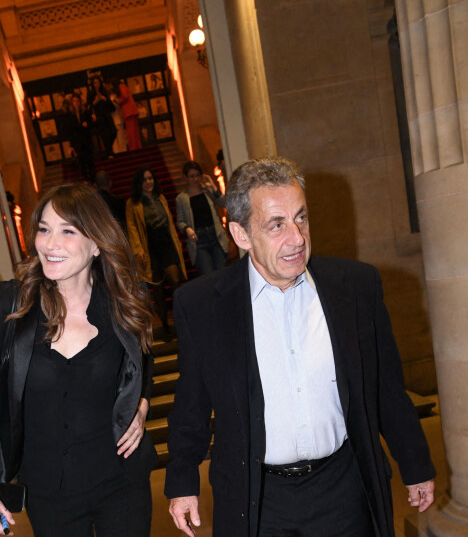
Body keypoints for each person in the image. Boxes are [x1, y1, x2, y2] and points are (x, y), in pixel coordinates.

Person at [164, 157, 436, 537]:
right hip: (257, 498)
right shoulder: (203, 305)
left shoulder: (355, 288)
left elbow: (386, 388)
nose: (297, 237)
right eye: (276, 225)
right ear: (241, 235)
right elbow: (190, 404)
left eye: (301, 218)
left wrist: (415, 464)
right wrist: (182, 480)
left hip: (343, 487)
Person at [0, 184, 158, 536]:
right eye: (44, 229)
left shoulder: (123, 302)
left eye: (67, 231)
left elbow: (142, 361)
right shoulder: (11, 305)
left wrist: (140, 405)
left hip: (121, 480)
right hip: (48, 490)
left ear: (97, 243)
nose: (50, 244)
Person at [126, 166, 186, 336]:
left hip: (166, 244)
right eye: (144, 179)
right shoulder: (133, 203)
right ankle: (165, 325)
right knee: (157, 287)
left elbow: (169, 223)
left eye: (150, 178)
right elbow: (132, 228)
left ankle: (179, 319)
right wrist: (138, 249)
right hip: (149, 247)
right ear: (139, 183)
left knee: (175, 280)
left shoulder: (161, 198)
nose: (148, 182)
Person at [175, 160, 229, 276]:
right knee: (208, 275)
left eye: (198, 175)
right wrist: (187, 229)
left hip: (216, 236)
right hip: (198, 241)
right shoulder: (181, 198)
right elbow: (180, 221)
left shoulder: (207, 191)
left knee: (222, 273)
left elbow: (224, 203)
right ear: (185, 177)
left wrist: (213, 187)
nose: (195, 179)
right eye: (192, 176)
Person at [65, 93, 96, 182]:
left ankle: (92, 179)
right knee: (81, 162)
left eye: (78, 101)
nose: (76, 103)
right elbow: (70, 131)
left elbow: (92, 124)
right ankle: (86, 179)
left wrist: (87, 125)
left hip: (86, 139)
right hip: (78, 142)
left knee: (90, 161)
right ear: (72, 103)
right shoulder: (70, 115)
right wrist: (71, 145)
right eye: (74, 101)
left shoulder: (85, 112)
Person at [88, 77, 117, 159]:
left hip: (107, 115)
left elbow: (111, 106)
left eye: (97, 82)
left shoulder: (104, 92)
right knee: (104, 135)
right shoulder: (91, 94)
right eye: (94, 83)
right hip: (99, 117)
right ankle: (109, 152)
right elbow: (89, 107)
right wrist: (95, 101)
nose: (96, 84)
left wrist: (104, 99)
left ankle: (108, 150)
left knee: (113, 131)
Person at [112, 78, 142, 151]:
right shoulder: (123, 86)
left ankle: (133, 148)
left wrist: (118, 101)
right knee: (135, 131)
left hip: (128, 112)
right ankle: (138, 147)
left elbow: (125, 96)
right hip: (132, 111)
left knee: (131, 132)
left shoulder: (121, 86)